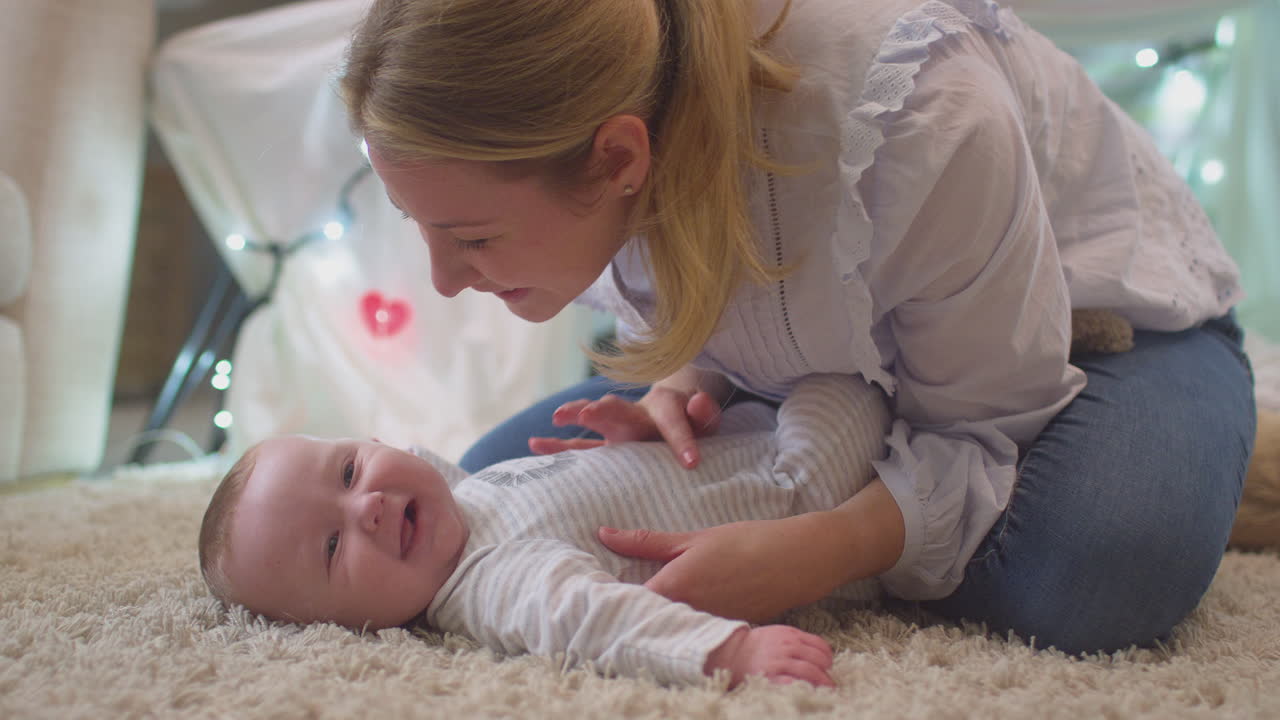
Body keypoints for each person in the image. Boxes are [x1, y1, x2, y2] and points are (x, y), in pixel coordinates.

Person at [337, 0, 1257, 655]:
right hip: (832, 376)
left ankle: (1219, 455)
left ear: (618, 157)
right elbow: (727, 288)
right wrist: (690, 382)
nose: (444, 282)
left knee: (1096, 577)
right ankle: (867, 474)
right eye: (415, 223)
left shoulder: (913, 121)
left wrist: (816, 551)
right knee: (490, 494)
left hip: (1100, 334)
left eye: (470, 238)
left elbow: (983, 426)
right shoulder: (617, 130)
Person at [199, 374, 891, 688]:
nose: (367, 508)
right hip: (796, 486)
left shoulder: (464, 493)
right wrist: (728, 651)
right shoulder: (490, 586)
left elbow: (421, 468)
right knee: (863, 381)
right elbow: (596, 620)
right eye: (331, 547)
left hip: (728, 435)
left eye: (349, 469)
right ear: (346, 626)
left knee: (773, 349)